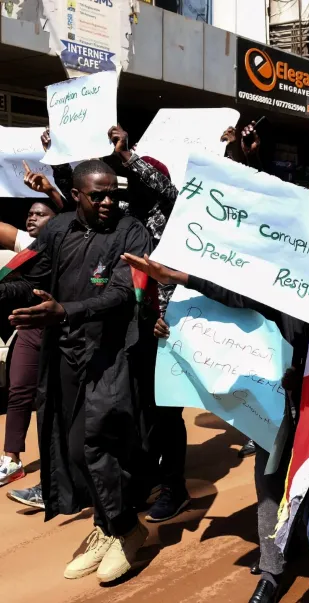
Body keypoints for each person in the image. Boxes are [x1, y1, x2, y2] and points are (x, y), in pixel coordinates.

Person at [125, 225, 309, 603]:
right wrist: (178, 278)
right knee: (295, 504)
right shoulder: (293, 276)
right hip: (300, 408)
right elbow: (240, 295)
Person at [0, 160, 153, 583]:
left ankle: (126, 529)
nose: (107, 202)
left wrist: (64, 309)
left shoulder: (132, 231)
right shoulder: (58, 228)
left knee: (99, 440)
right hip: (65, 353)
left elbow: (124, 293)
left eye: (112, 195)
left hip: (112, 354)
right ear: (78, 194)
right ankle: (107, 525)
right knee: (70, 448)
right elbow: (27, 272)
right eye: (97, 195)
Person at [0, 201, 57, 489]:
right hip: (31, 330)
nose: (32, 218)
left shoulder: (68, 243)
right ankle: (11, 460)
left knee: (57, 401)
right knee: (19, 390)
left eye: (40, 214)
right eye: (30, 214)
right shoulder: (30, 246)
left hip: (64, 332)